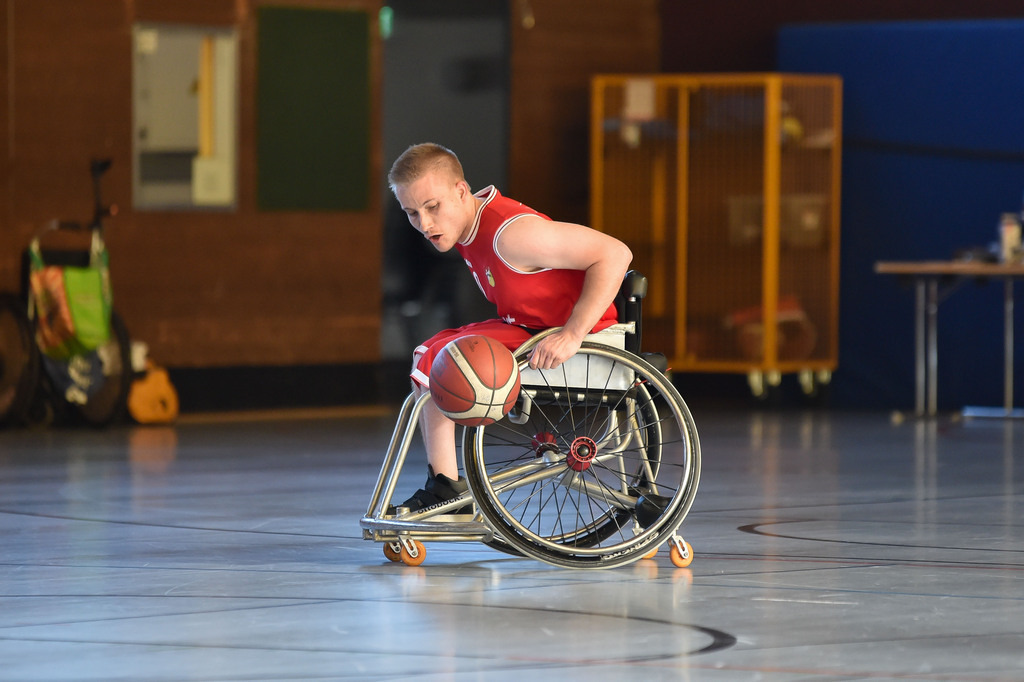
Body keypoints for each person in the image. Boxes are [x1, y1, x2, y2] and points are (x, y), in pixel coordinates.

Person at [387, 143, 633, 512]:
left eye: (432, 207)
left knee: (441, 360)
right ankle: (444, 484)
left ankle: (446, 490)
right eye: (411, 213)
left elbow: (615, 253)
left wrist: (573, 334)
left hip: (580, 336)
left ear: (460, 191)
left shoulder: (511, 235)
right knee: (430, 353)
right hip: (531, 328)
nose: (425, 224)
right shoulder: (467, 231)